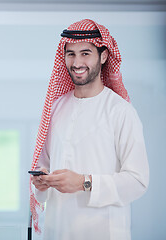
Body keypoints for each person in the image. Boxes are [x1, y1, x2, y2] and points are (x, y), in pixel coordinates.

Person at [29, 19, 149, 240]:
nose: (77, 62)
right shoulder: (56, 108)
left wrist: (84, 182)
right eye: (71, 54)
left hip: (104, 233)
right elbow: (43, 166)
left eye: (85, 53)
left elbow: (137, 181)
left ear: (103, 56)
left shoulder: (120, 111)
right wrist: (42, 182)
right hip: (57, 232)